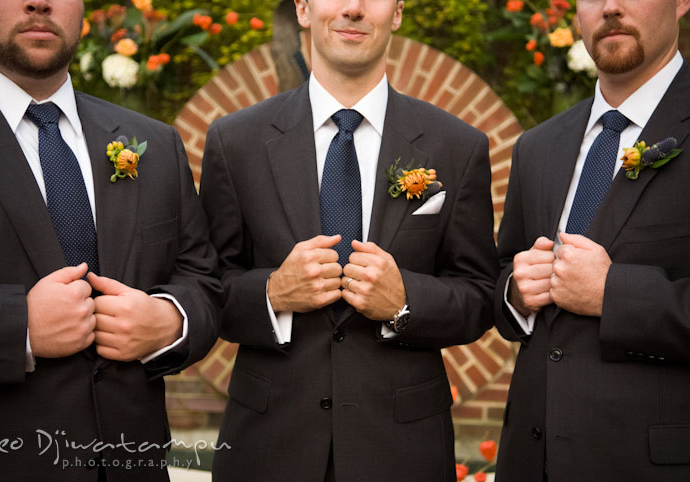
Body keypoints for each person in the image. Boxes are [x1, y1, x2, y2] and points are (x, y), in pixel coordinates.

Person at [200, 0, 498, 480]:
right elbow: (207, 289)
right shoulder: (236, 142)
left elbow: (480, 294)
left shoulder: (457, 146)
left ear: (397, 12)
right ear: (302, 8)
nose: (355, 9)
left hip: (402, 447)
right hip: (268, 446)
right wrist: (273, 293)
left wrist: (405, 302)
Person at [0, 1, 222, 480]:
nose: (40, 2)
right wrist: (17, 330)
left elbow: (202, 278)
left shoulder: (154, 142)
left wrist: (170, 320)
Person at [494, 0, 690, 481]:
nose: (611, 7)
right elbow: (500, 282)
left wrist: (613, 294)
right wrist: (515, 293)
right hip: (530, 460)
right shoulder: (537, 146)